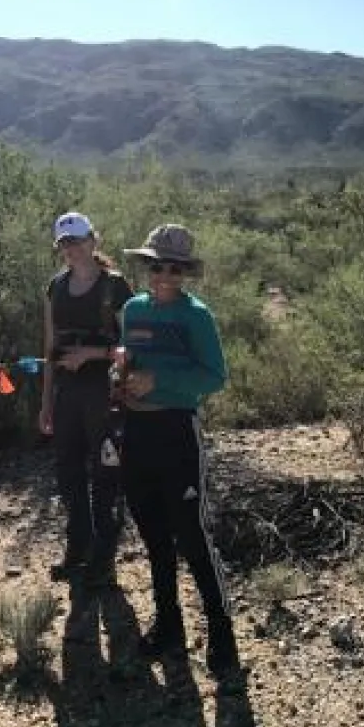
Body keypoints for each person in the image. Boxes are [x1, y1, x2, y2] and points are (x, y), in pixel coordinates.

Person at [117, 223, 240, 678]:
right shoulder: (132, 310)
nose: (162, 276)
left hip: (177, 432)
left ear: (185, 271)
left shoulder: (197, 317)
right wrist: (123, 377)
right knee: (152, 536)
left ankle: (221, 628)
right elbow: (131, 360)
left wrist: (160, 382)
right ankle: (169, 623)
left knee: (191, 535)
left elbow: (214, 378)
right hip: (137, 430)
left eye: (172, 268)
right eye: (154, 266)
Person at [39, 212, 135, 586]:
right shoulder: (56, 287)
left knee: (106, 472)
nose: (72, 250)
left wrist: (92, 355)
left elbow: (132, 345)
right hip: (67, 393)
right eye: (65, 244)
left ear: (94, 241)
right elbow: (49, 347)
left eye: (77, 241)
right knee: (69, 472)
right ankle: (77, 549)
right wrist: (46, 402)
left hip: (105, 391)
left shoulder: (115, 287)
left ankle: (104, 556)